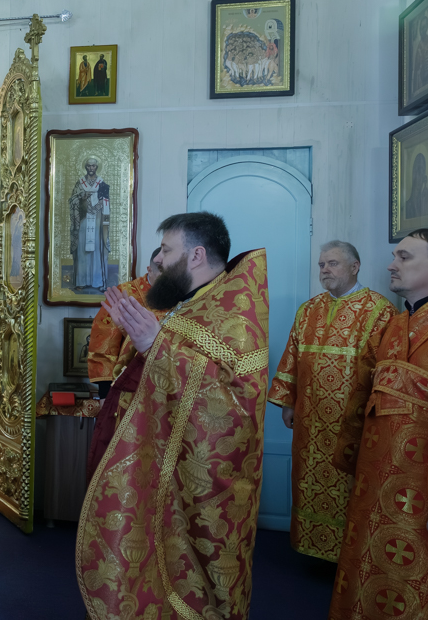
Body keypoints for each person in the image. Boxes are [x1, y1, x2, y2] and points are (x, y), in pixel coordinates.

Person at [77, 212, 269, 620]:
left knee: (196, 580)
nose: (160, 260)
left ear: (196, 254)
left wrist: (156, 345)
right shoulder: (195, 302)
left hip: (202, 484)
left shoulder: (234, 315)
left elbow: (235, 406)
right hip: (166, 459)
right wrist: (147, 346)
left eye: (166, 249)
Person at [330, 228, 428, 620]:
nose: (391, 264)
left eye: (404, 257)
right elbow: (364, 396)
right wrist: (351, 455)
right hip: (376, 481)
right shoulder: (395, 325)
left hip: (427, 491)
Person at [267, 241, 395, 563]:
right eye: (322, 265)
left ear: (355, 266)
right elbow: (292, 358)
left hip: (351, 425)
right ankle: (312, 550)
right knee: (309, 484)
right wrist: (288, 402)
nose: (325, 270)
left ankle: (347, 557)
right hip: (309, 423)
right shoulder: (308, 310)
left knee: (349, 488)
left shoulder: (379, 310)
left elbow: (386, 369)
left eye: (333, 263)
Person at [84, 246, 164, 484]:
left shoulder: (183, 294)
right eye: (160, 270)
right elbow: (103, 348)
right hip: (126, 390)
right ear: (149, 269)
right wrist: (105, 395)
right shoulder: (126, 293)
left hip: (163, 387)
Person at [68, 157, 110, 292]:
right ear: (85, 167)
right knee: (82, 249)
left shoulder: (101, 183)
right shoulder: (80, 183)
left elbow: (106, 200)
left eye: (93, 166)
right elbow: (72, 200)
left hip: (97, 221)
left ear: (96, 167)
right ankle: (81, 281)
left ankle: (97, 281)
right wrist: (82, 198)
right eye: (89, 166)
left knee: (97, 250)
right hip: (83, 220)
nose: (91, 168)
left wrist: (97, 206)